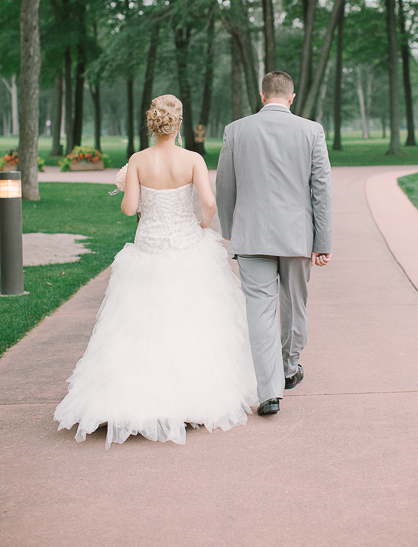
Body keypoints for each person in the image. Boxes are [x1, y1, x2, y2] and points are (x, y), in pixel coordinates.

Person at [54, 95, 257, 449]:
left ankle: (130, 399)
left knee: (138, 324)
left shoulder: (137, 160)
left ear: (153, 124)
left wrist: (126, 188)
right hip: (185, 244)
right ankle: (194, 399)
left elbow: (130, 207)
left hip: (148, 247)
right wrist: (202, 224)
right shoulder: (192, 159)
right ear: (178, 124)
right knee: (192, 321)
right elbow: (208, 203)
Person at [216, 71, 333, 416]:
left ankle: (268, 393)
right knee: (295, 304)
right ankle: (288, 367)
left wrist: (229, 227)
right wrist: (322, 240)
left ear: (263, 96)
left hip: (250, 235)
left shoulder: (235, 130)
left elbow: (225, 184)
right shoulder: (312, 131)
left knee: (259, 311)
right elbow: (321, 189)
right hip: (298, 236)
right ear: (291, 98)